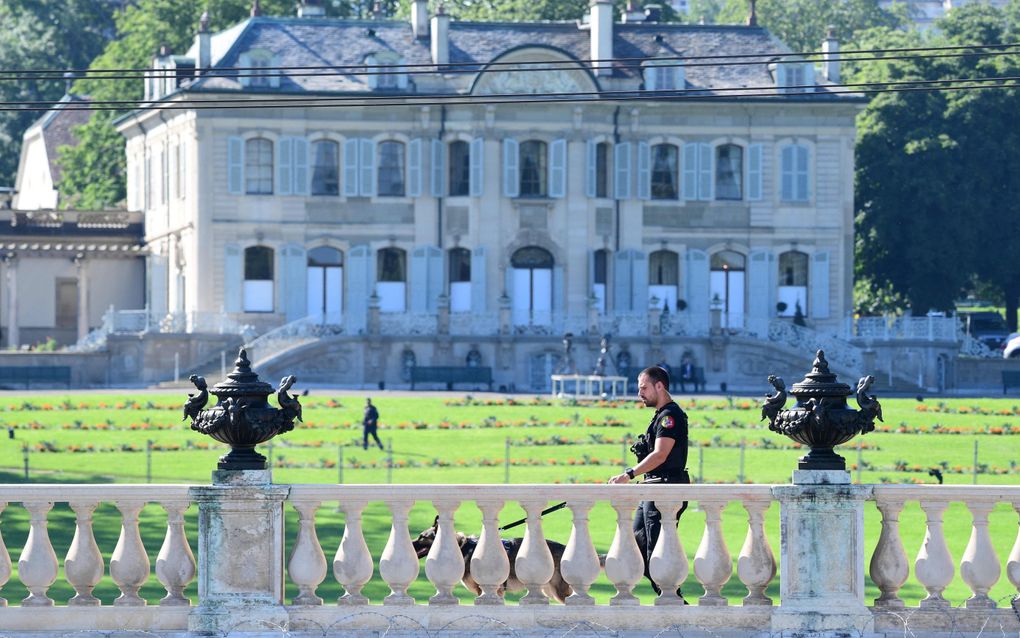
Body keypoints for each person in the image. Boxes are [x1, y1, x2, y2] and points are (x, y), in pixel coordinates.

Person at [609, 366, 690, 598]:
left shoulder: (670, 417)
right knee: (638, 548)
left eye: (643, 388)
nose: (640, 393)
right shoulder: (661, 416)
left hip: (664, 492)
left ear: (659, 386)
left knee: (657, 556)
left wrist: (629, 474)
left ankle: (677, 608)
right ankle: (674, 604)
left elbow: (660, 455)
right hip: (652, 490)